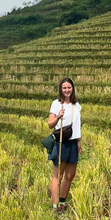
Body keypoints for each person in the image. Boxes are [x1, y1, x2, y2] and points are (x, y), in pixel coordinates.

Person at [47, 77, 82, 212]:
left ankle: (62, 202)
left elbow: (78, 125)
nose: (67, 90)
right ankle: (55, 205)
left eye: (69, 87)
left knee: (70, 175)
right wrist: (58, 117)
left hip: (73, 142)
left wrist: (79, 141)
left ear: (72, 89)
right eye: (64, 88)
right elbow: (50, 124)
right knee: (58, 175)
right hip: (61, 142)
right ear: (61, 90)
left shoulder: (76, 105)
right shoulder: (56, 104)